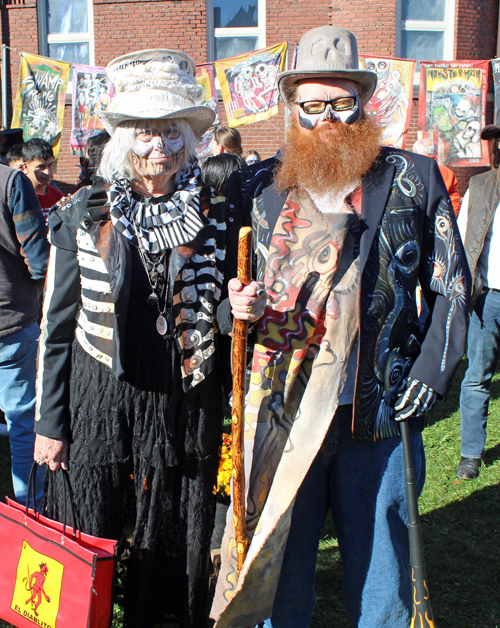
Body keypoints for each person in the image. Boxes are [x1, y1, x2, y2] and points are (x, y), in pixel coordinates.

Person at [211, 26, 470, 628]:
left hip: (377, 415)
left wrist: (431, 371)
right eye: (313, 104)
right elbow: (228, 294)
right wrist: (235, 311)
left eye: (341, 102)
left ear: (362, 102)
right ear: (292, 108)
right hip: (286, 414)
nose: (328, 116)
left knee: (383, 574)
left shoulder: (414, 178)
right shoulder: (259, 187)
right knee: (280, 576)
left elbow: (454, 285)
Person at [33, 48, 244, 628]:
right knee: (91, 525)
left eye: (173, 133)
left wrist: (233, 309)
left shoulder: (216, 211)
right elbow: (56, 325)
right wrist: (51, 425)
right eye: (147, 135)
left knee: (169, 527)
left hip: (180, 397)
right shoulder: (83, 212)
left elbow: (218, 309)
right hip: (98, 394)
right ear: (125, 141)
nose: (163, 148)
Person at [0, 160, 49, 510]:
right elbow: (39, 260)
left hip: (12, 318)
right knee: (21, 423)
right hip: (11, 316)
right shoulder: (12, 182)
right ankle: (31, 511)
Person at [456, 123, 500, 480]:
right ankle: (471, 453)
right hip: (488, 300)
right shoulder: (481, 186)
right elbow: (460, 237)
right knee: (477, 376)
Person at [413, 138, 461, 215]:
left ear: (415, 151)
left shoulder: (407, 170)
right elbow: (453, 200)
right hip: (440, 219)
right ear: (436, 153)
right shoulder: (447, 172)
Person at [22, 139, 63, 220]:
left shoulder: (58, 197)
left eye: (50, 165)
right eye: (41, 167)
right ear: (25, 167)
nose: (47, 172)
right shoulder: (20, 197)